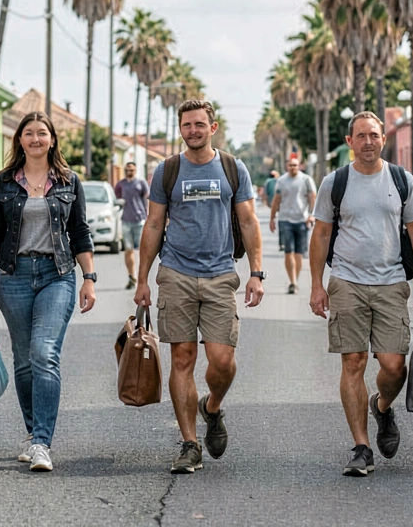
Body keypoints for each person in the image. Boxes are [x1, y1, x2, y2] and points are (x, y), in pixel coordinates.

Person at [134, 99, 264, 475]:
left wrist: (256, 272)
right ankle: (189, 443)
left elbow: (249, 220)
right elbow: (155, 224)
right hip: (175, 272)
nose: (193, 130)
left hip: (221, 273)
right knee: (183, 358)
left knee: (222, 360)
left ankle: (212, 406)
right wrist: (142, 278)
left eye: (199, 124)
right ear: (181, 129)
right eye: (186, 125)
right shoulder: (167, 171)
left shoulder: (232, 168)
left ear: (213, 127)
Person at [308, 111, 413, 476]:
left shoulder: (400, 179)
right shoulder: (336, 181)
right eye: (360, 136)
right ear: (350, 142)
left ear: (383, 139)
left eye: (374, 135)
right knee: (354, 362)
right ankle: (361, 447)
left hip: (391, 281)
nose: (367, 142)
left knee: (395, 365)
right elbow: (320, 235)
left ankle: (381, 406)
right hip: (346, 281)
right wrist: (317, 285)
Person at [0, 111, 97, 473]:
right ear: (19, 141)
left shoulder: (68, 181)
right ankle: (33, 434)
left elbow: (80, 232)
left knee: (45, 353)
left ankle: (43, 442)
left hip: (56, 274)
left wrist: (89, 277)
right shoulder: (4, 183)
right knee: (25, 360)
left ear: (52, 139)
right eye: (28, 133)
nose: (35, 139)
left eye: (41, 133)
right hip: (13, 276)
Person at [270, 156, 317, 294]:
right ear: (287, 166)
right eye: (290, 165)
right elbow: (276, 200)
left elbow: (312, 197)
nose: (293, 168)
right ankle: (293, 282)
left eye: (295, 165)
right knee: (288, 251)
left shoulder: (306, 180)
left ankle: (295, 279)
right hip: (285, 220)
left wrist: (311, 214)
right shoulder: (282, 181)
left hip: (302, 221)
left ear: (299, 166)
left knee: (298, 254)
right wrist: (272, 218)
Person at [114, 161, 150, 290]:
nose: (130, 172)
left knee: (141, 251)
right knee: (128, 250)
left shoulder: (141, 183)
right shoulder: (120, 185)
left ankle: (142, 277)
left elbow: (149, 198)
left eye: (132, 170)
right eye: (127, 170)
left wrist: (149, 216)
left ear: (136, 170)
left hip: (140, 220)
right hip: (126, 221)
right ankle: (131, 276)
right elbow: (117, 198)